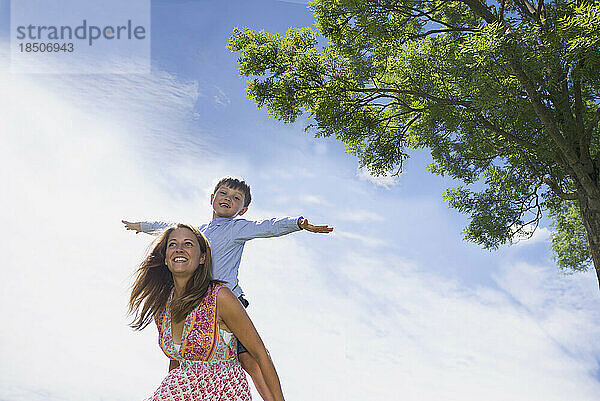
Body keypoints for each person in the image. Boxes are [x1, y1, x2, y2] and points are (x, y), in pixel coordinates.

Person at [123, 177, 332, 401]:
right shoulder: (196, 233)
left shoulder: (237, 228)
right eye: (223, 194)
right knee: (186, 350)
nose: (228, 199)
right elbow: (166, 231)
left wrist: (298, 222)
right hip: (194, 299)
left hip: (226, 301)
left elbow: (267, 227)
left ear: (243, 210)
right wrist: (141, 226)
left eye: (236, 198)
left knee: (249, 358)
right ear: (212, 198)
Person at [129, 223, 285, 401]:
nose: (179, 249)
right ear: (165, 258)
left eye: (188, 244)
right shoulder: (163, 305)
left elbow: (260, 353)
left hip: (224, 391)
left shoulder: (220, 297)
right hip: (182, 390)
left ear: (202, 258)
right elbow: (177, 361)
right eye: (172, 244)